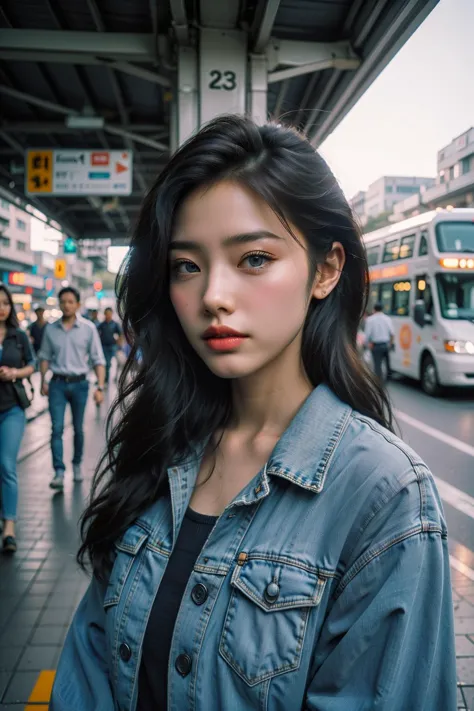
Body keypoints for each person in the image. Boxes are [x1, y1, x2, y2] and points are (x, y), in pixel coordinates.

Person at [51, 117, 457, 710]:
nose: (213, 294)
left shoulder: (385, 496)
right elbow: (85, 677)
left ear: (325, 270)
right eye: (186, 265)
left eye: (254, 258)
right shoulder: (160, 445)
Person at [38, 287, 105, 491]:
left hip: (80, 385)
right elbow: (44, 357)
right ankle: (59, 471)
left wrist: (100, 387)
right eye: (63, 301)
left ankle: (76, 464)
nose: (66, 305)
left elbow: (98, 359)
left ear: (77, 304)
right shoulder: (51, 329)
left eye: (70, 301)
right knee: (56, 428)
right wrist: (43, 381)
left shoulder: (88, 329)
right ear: (59, 304)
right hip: (57, 384)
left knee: (78, 428)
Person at [0, 284, 35, 554]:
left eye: (5, 303)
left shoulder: (18, 336)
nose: (2, 308)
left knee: (6, 465)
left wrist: (15, 373)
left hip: (12, 408)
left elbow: (31, 365)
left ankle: (9, 526)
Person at [364, 302, 395, 381]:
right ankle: (388, 378)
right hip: (385, 344)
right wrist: (390, 344)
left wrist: (367, 344)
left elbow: (367, 334)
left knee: (377, 365)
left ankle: (378, 381)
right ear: (382, 309)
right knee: (387, 363)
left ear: (374, 309)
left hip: (376, 345)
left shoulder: (370, 320)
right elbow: (392, 333)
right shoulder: (387, 318)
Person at [97, 307, 122, 385]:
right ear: (104, 314)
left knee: (115, 363)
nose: (108, 315)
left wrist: (119, 343)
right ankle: (105, 379)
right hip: (104, 347)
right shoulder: (102, 324)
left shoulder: (115, 324)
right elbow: (96, 333)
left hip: (112, 346)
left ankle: (115, 378)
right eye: (106, 314)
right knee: (106, 363)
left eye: (109, 314)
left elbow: (120, 334)